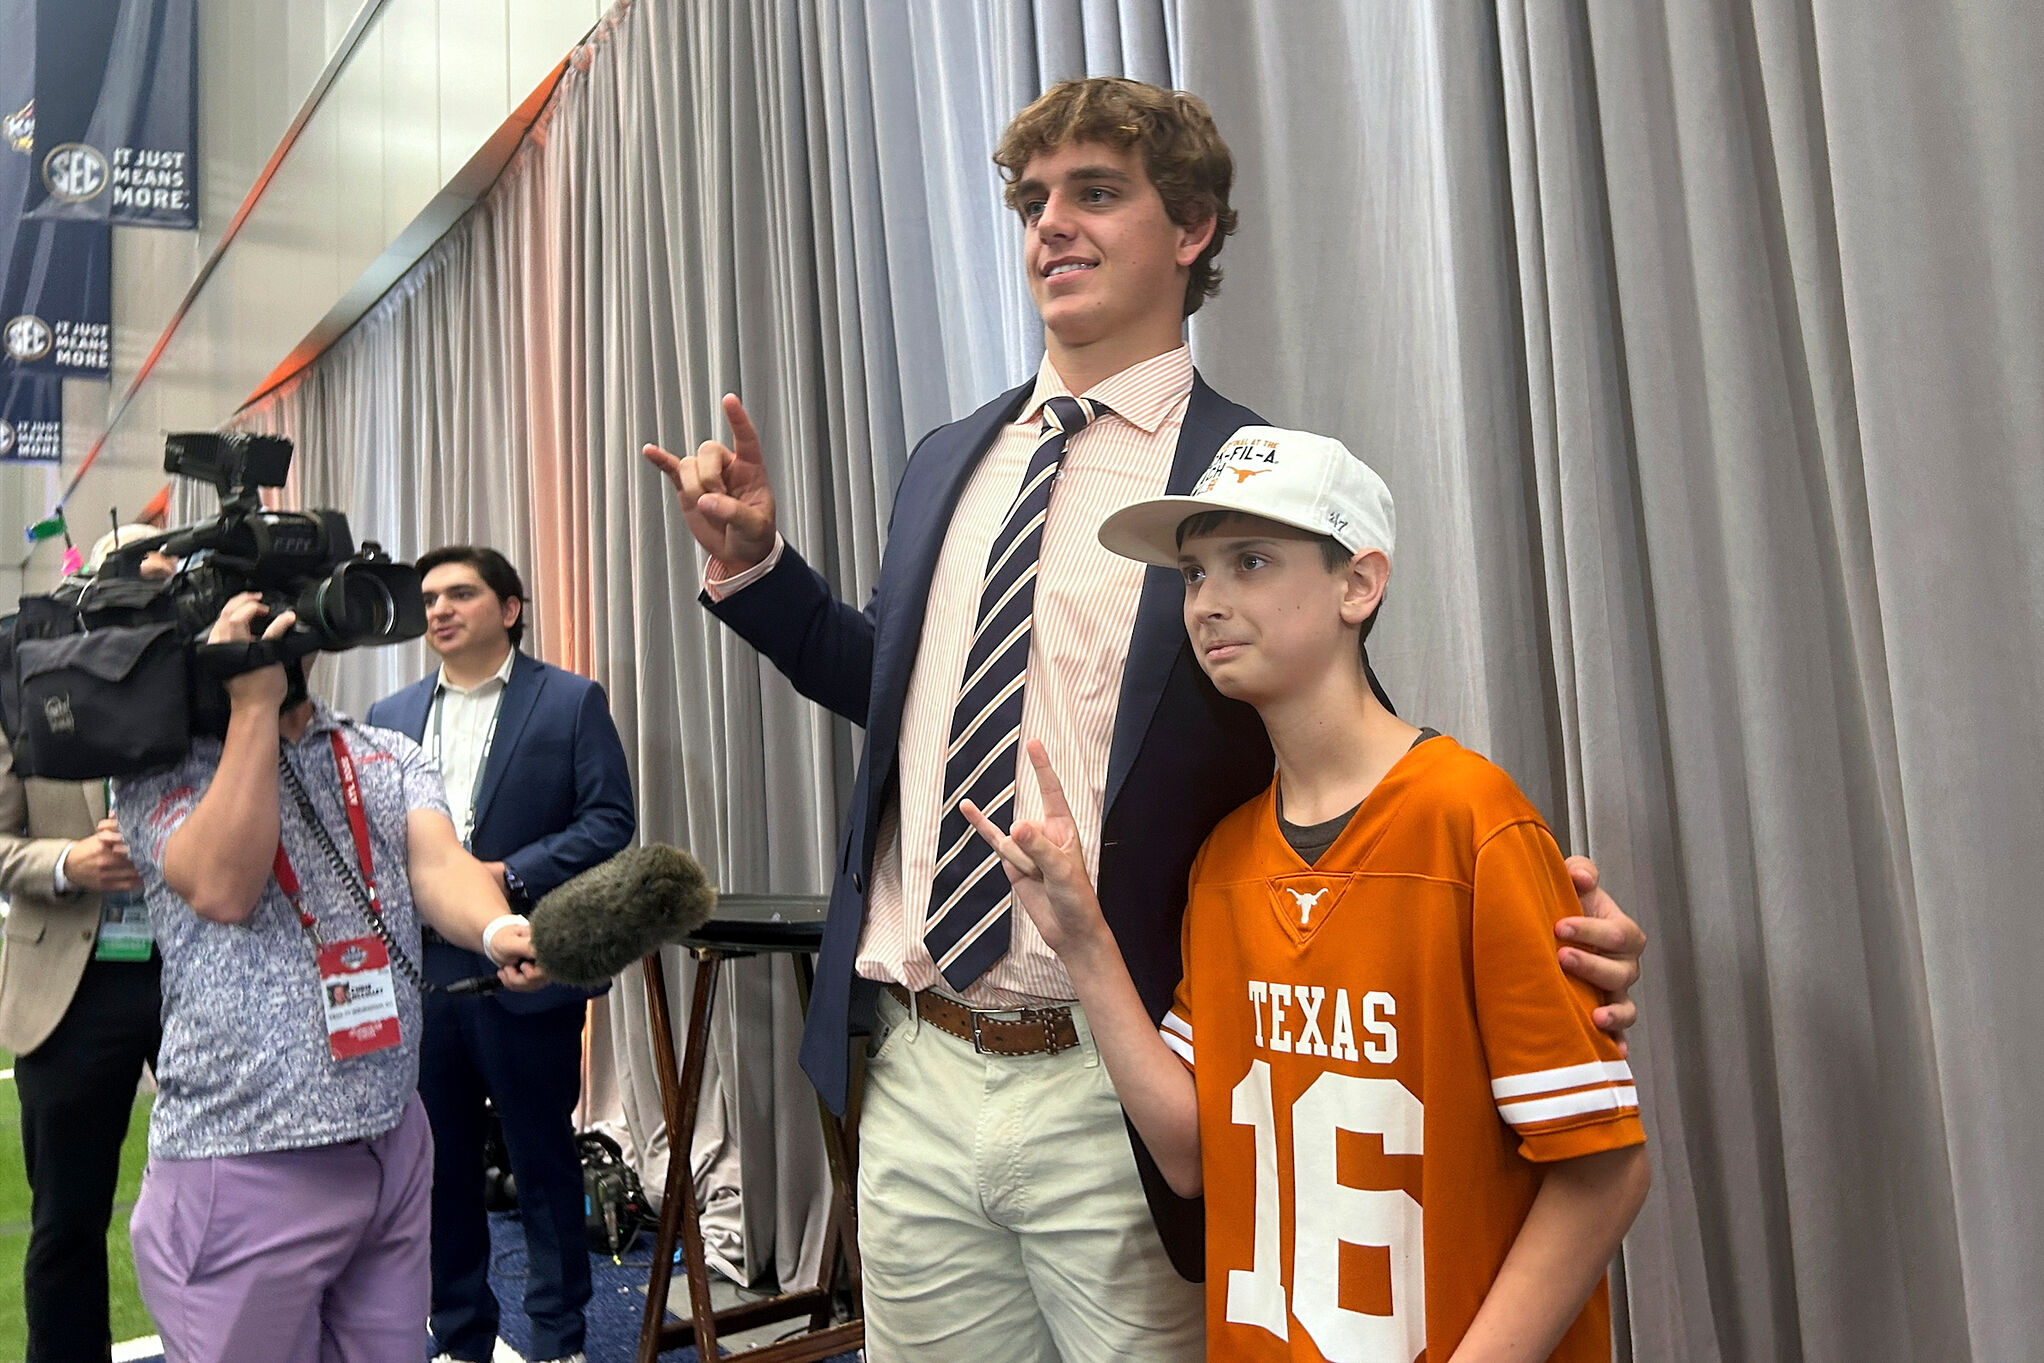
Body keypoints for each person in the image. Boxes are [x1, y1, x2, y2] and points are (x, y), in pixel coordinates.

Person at [644, 77, 1648, 1361]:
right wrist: (759, 570)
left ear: (1193, 231)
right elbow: (912, 697)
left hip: (1125, 1087)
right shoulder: (949, 456)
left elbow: (1334, 750)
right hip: (914, 1067)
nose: (1049, 225)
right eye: (1031, 201)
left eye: (1095, 193)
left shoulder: (1245, 480)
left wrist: (1531, 934)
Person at [967, 426, 1651, 1360]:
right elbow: (1190, 1153)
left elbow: (1605, 1168)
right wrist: (1082, 939)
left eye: (1250, 560)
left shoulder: (1469, 818)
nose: (1209, 601)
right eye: (1196, 573)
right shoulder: (1227, 859)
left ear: (1357, 586)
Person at [116, 593, 548, 1363]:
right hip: (245, 1156)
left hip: (390, 1135)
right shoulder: (161, 766)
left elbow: (440, 863)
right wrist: (251, 702)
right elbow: (224, 884)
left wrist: (498, 929)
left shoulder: (382, 753)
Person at [366, 545, 635, 1363]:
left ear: (510, 608)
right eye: (430, 598)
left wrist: (505, 874)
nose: (440, 609)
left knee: (542, 1163)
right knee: (439, 1171)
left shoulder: (571, 700)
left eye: (461, 593)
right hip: (425, 975)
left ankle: (558, 1340)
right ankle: (459, 1338)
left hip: (528, 962)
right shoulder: (392, 712)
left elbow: (609, 822)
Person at [0, 524, 175, 1363]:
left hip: (203, 972)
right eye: (130, 569)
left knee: (236, 1196)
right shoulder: (24, 684)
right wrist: (68, 860)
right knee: (67, 1218)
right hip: (68, 987)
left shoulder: (207, 680)